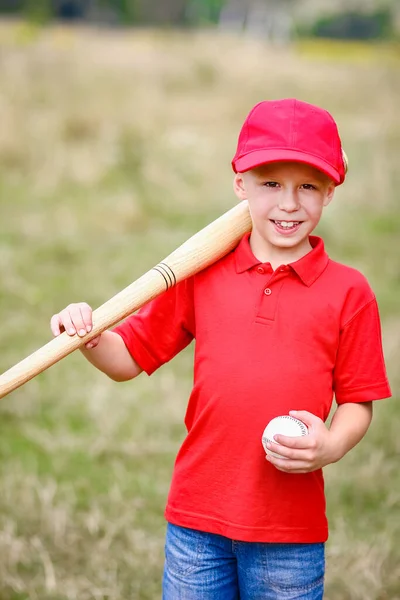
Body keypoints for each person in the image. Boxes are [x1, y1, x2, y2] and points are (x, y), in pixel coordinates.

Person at [50, 99, 391, 600]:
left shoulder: (349, 292)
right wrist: (90, 335)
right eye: (271, 183)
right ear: (240, 185)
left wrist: (332, 445)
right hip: (196, 521)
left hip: (288, 534)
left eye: (308, 186)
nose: (289, 203)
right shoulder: (201, 274)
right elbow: (127, 360)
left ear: (330, 192)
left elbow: (358, 402)